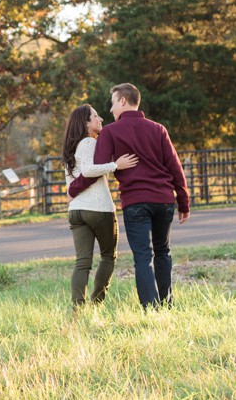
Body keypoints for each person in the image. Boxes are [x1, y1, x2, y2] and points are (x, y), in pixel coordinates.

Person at [93, 83, 190, 308]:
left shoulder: (110, 131)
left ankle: (151, 308)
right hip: (164, 200)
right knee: (163, 251)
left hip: (136, 201)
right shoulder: (158, 129)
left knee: (143, 257)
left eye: (113, 103)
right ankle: (167, 303)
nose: (110, 110)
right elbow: (175, 168)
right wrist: (183, 203)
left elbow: (99, 166)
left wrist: (114, 164)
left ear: (123, 101)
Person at [61, 104, 138, 308]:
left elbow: (75, 179)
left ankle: (77, 308)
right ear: (86, 123)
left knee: (82, 262)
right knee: (108, 256)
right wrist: (116, 165)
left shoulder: (71, 148)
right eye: (95, 116)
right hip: (98, 209)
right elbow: (88, 171)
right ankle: (96, 304)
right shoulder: (88, 142)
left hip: (76, 211)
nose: (101, 119)